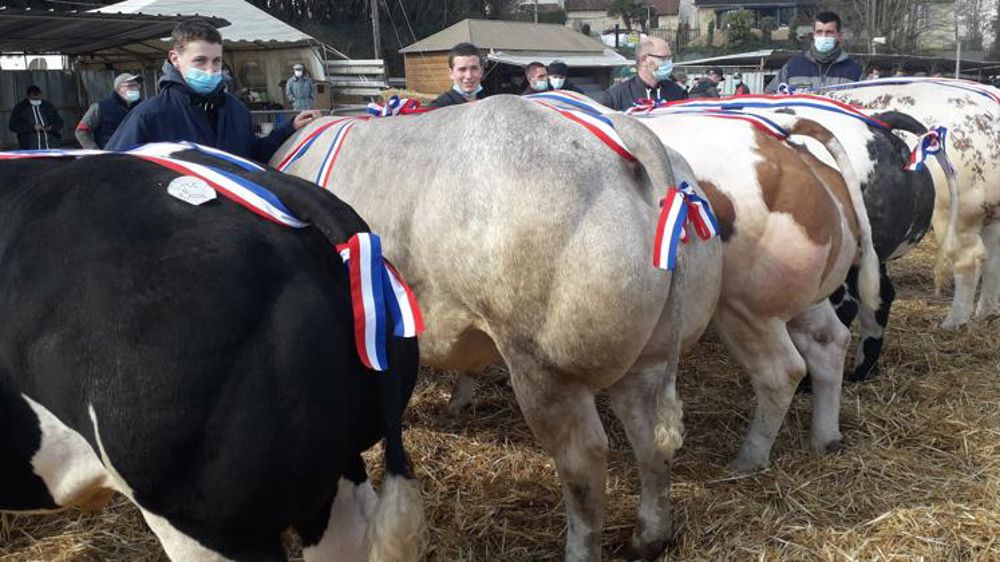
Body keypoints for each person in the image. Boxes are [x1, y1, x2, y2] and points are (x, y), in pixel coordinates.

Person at [106, 19, 319, 163]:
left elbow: (253, 154)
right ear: (175, 59)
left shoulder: (236, 110)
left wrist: (289, 128)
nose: (210, 70)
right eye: (200, 61)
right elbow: (110, 171)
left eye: (216, 61)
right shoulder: (150, 116)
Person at [764, 11, 862, 93]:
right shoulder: (793, 67)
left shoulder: (854, 71)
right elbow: (770, 96)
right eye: (819, 32)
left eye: (829, 32)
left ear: (839, 36)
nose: (823, 36)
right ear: (813, 35)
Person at [593, 36, 686, 110]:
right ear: (644, 60)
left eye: (669, 58)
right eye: (663, 58)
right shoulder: (615, 96)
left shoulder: (677, 93)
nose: (668, 62)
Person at [75, 73, 143, 149]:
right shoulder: (100, 107)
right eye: (130, 86)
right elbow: (81, 131)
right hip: (110, 157)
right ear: (119, 89)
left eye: (137, 85)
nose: (135, 89)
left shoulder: (143, 107)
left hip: (137, 156)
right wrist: (96, 152)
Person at [429, 42, 488, 108]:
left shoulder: (489, 103)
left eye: (474, 68)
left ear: (481, 71)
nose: (469, 76)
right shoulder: (438, 108)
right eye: (462, 69)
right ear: (451, 73)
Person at [8, 85, 63, 150]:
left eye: (38, 98)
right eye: (34, 99)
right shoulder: (20, 108)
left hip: (51, 146)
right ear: (28, 97)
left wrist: (51, 127)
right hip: (30, 148)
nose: (37, 100)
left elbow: (60, 122)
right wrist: (32, 127)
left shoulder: (48, 106)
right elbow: (13, 126)